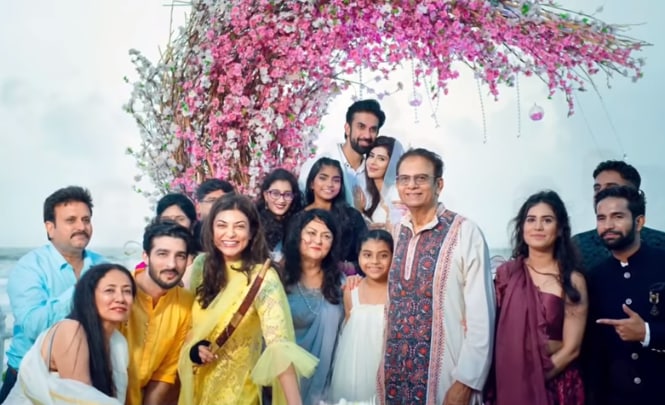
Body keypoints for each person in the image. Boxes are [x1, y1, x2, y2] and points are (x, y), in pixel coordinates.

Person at [377, 148, 495, 405]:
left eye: (421, 178)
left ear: (438, 184)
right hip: (394, 376)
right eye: (404, 179)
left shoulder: (465, 233)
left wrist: (466, 382)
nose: (412, 186)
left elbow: (481, 317)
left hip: (447, 380)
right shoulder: (396, 233)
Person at [178, 194, 316, 405]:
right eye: (222, 225)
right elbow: (189, 328)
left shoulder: (262, 278)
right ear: (211, 229)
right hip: (198, 390)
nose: (230, 234)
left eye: (239, 226)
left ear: (251, 232)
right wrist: (196, 351)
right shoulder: (200, 266)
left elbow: (279, 346)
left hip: (239, 394)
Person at [1, 186, 106, 401]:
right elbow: (33, 326)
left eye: (86, 220)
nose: (81, 227)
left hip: (87, 377)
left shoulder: (102, 265)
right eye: (71, 220)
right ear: (50, 228)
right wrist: (83, 289)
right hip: (29, 377)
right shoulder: (29, 268)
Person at [487, 190, 587, 405]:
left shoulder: (572, 280)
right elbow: (489, 331)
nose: (538, 227)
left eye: (547, 220)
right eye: (531, 220)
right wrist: (515, 383)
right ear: (522, 227)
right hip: (508, 382)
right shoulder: (506, 274)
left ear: (560, 229)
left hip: (556, 385)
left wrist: (531, 382)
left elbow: (572, 349)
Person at [5, 263, 136, 404]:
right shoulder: (71, 330)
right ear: (89, 296)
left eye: (127, 291)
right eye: (109, 290)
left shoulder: (117, 341)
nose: (120, 298)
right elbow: (81, 400)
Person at [584, 186, 665, 405]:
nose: (608, 225)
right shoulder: (594, 277)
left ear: (639, 222)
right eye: (601, 218)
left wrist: (647, 332)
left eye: (617, 217)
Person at [120, 221, 196, 405]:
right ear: (145, 256)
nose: (172, 264)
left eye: (180, 256)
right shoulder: (118, 292)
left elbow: (165, 373)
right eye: (162, 254)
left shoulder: (186, 303)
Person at [282, 209, 345, 404]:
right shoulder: (279, 279)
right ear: (297, 235)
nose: (318, 241)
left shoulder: (340, 283)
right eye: (311, 233)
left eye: (326, 236)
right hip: (284, 382)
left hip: (325, 387)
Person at [329, 229, 393, 403]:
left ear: (393, 257)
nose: (374, 261)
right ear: (358, 256)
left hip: (386, 369)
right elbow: (348, 333)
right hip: (353, 369)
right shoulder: (351, 291)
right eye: (367, 254)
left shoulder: (396, 293)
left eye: (383, 255)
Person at [572, 160, 665, 272]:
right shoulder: (578, 245)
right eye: (597, 188)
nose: (600, 194)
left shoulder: (660, 242)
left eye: (611, 187)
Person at [298, 99, 386, 205]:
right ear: (347, 128)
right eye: (361, 127)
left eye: (372, 129)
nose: (367, 135)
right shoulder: (315, 165)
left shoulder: (376, 172)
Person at [302, 157, 368, 273]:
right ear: (312, 183)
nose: (330, 184)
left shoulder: (352, 217)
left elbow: (367, 255)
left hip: (347, 283)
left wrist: (346, 268)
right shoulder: (299, 217)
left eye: (336, 180)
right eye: (323, 178)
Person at [353, 135, 407, 229]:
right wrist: (360, 210)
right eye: (371, 156)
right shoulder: (375, 195)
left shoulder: (395, 193)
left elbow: (398, 232)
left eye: (381, 159)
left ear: (392, 164)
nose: (373, 162)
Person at [256, 168, 304, 262]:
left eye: (287, 195)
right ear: (266, 195)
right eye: (275, 193)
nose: (281, 200)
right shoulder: (254, 223)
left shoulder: (299, 224)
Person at [193, 178, 235, 246]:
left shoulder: (237, 234)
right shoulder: (191, 235)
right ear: (198, 207)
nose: (218, 205)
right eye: (212, 201)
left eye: (223, 201)